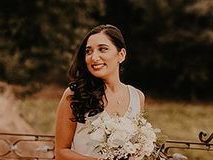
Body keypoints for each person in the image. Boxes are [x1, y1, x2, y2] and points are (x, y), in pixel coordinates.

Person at [54, 24, 145, 160]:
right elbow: (61, 152)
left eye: (102, 49)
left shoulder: (137, 97)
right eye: (89, 51)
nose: (94, 57)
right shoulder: (74, 94)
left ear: (121, 55)